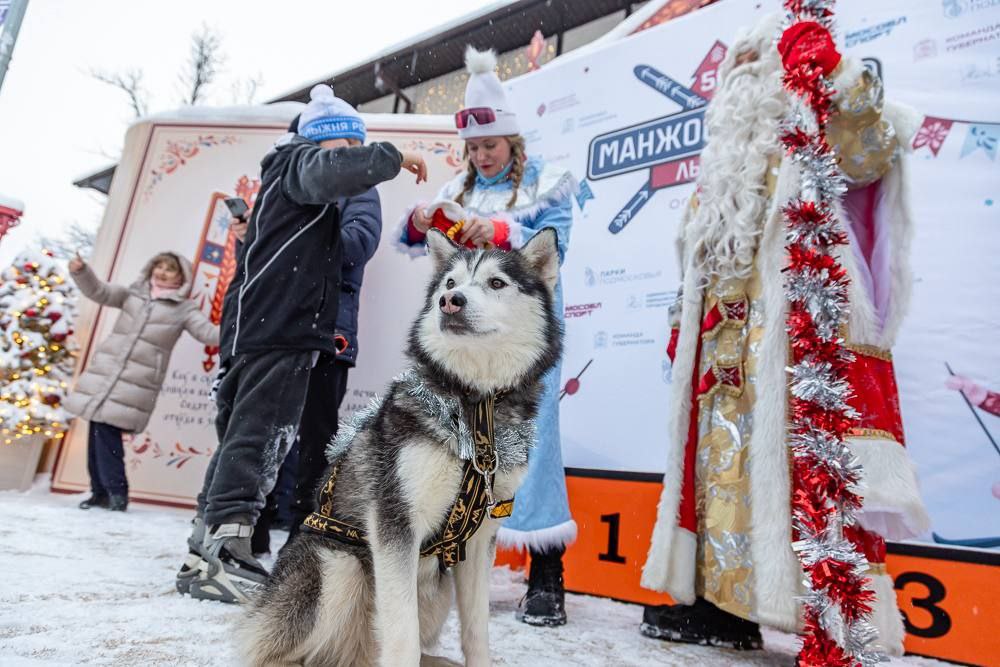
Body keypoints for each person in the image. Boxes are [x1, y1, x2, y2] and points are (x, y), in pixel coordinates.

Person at [640, 14, 930, 655]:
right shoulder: (719, 168)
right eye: (736, 67)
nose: (743, 77)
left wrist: (834, 75)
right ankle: (725, 609)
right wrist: (678, 326)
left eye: (757, 62)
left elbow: (872, 148)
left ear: (784, 73)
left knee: (797, 482)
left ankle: (822, 619)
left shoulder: (815, 137)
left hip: (792, 353)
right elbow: (694, 260)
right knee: (719, 489)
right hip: (719, 359)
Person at [176, 84, 427, 604]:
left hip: (270, 327)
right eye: (349, 146)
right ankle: (227, 553)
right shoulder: (299, 164)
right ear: (329, 144)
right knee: (260, 438)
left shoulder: (294, 185)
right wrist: (392, 156)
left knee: (247, 435)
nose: (354, 158)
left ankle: (205, 548)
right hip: (282, 328)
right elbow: (326, 171)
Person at [399, 46, 577, 627]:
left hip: (521, 341)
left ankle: (547, 578)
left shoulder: (547, 183)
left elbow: (559, 242)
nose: (481, 156)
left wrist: (499, 229)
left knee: (534, 445)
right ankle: (460, 568)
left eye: (490, 146)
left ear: (513, 144)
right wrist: (423, 221)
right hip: (465, 345)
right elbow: (414, 242)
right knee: (462, 447)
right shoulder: (460, 186)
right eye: (474, 148)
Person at [250, 112, 386, 557]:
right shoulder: (290, 185)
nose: (339, 156)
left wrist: (306, 241)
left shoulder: (362, 190)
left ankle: (305, 532)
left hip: (330, 334)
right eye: (330, 148)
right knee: (268, 431)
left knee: (317, 437)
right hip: (282, 328)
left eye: (348, 147)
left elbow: (360, 243)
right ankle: (255, 524)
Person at [66, 251, 219, 512]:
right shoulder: (132, 295)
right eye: (158, 265)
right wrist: (82, 271)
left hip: (137, 382)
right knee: (97, 430)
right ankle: (99, 492)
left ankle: (116, 492)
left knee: (107, 431)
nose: (161, 271)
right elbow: (99, 291)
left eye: (169, 269)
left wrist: (244, 326)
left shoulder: (183, 309)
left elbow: (208, 333)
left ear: (181, 277)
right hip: (107, 374)